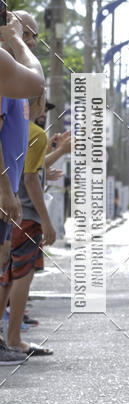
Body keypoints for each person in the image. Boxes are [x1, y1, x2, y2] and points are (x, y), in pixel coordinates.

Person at [0, 91, 55, 359]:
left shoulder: (22, 130)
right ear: (37, 103)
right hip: (25, 213)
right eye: (44, 104)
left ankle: (8, 338)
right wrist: (47, 221)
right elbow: (31, 178)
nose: (45, 112)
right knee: (22, 275)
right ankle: (13, 338)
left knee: (7, 277)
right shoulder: (35, 133)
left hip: (12, 210)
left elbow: (28, 169)